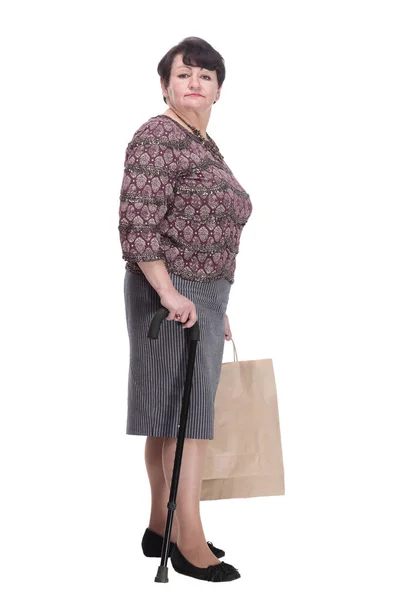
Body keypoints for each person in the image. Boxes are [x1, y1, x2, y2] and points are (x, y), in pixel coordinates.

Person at [118, 36, 253, 582]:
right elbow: (137, 222)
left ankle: (160, 527)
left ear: (219, 91)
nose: (195, 83)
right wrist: (173, 293)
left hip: (201, 294)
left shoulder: (202, 145)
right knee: (185, 421)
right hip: (168, 294)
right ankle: (189, 543)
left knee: (171, 417)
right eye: (184, 74)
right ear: (165, 85)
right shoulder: (157, 136)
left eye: (206, 76)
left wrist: (214, 304)